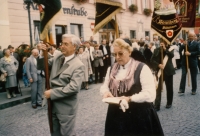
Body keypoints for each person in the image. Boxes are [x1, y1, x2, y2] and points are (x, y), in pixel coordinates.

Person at [100, 38, 164, 136]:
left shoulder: (142, 68)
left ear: (129, 52)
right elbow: (104, 86)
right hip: (116, 115)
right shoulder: (111, 69)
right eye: (115, 54)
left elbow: (150, 94)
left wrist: (130, 98)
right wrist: (106, 92)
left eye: (120, 53)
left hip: (138, 114)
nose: (117, 57)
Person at [43, 34, 85, 136]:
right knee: (55, 133)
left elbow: (73, 88)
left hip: (66, 107)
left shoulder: (78, 65)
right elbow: (43, 66)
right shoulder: (58, 57)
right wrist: (42, 53)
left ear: (74, 46)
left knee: (67, 134)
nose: (62, 46)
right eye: (62, 43)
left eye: (66, 44)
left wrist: (52, 93)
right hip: (52, 104)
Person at [151, 40, 175, 111]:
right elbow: (152, 60)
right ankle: (157, 105)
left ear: (166, 43)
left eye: (164, 43)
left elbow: (171, 56)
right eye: (161, 43)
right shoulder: (156, 50)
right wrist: (158, 65)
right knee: (158, 88)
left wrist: (165, 49)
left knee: (169, 88)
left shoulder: (170, 49)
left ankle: (169, 103)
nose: (162, 44)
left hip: (168, 71)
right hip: (159, 72)